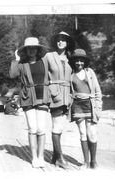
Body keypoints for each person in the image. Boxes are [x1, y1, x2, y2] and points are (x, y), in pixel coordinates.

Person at [9, 37, 50, 168]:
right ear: (26, 50)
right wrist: (16, 58)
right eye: (29, 48)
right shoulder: (22, 64)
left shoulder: (45, 61)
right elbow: (12, 74)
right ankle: (34, 158)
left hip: (43, 96)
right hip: (28, 98)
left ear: (38, 49)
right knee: (32, 128)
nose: (31, 50)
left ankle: (41, 157)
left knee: (41, 129)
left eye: (34, 48)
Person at [42, 31, 75, 169]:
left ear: (67, 43)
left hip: (67, 95)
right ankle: (60, 158)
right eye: (58, 40)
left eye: (63, 40)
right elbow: (43, 77)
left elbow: (73, 78)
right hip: (54, 94)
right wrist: (45, 95)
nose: (60, 42)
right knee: (57, 125)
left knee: (60, 125)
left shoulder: (70, 59)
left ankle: (55, 157)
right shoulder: (48, 56)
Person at [69, 49, 102, 169]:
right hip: (77, 106)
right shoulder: (71, 74)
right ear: (73, 62)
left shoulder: (90, 72)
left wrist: (98, 108)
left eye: (81, 60)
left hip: (91, 105)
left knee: (92, 134)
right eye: (76, 60)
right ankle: (86, 162)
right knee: (83, 134)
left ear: (84, 61)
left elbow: (98, 91)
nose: (79, 63)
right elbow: (69, 92)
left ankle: (93, 161)